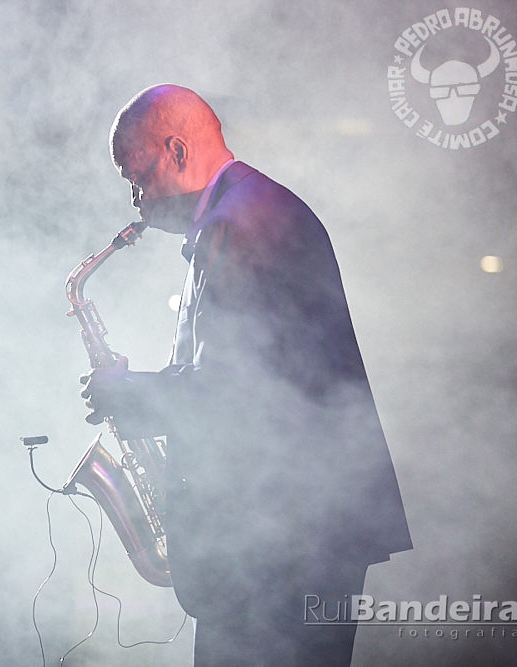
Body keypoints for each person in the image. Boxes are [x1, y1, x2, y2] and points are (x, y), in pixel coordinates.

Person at [79, 84, 412, 666]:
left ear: (177, 151)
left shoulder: (241, 224)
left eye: (134, 176)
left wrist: (134, 394)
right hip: (299, 534)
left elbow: (237, 397)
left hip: (284, 545)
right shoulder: (249, 210)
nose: (134, 199)